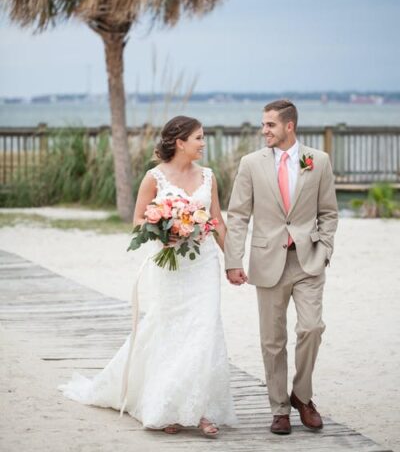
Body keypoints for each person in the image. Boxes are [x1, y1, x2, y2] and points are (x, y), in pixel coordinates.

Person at [60, 116, 237, 437]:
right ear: (180, 142)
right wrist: (165, 229)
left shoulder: (208, 176)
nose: (203, 143)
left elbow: (217, 221)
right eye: (198, 138)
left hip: (203, 263)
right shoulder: (154, 177)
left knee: (205, 331)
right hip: (170, 265)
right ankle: (167, 406)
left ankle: (203, 411)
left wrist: (232, 262)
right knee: (168, 329)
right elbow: (138, 220)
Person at [224, 99, 338, 435]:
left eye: (270, 125)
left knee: (312, 328)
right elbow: (239, 214)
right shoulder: (250, 164)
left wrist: (326, 248)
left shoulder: (318, 161)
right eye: (263, 125)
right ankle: (279, 409)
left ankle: (302, 397)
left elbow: (329, 212)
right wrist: (233, 260)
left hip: (308, 260)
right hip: (267, 260)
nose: (264, 131)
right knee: (272, 340)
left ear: (290, 126)